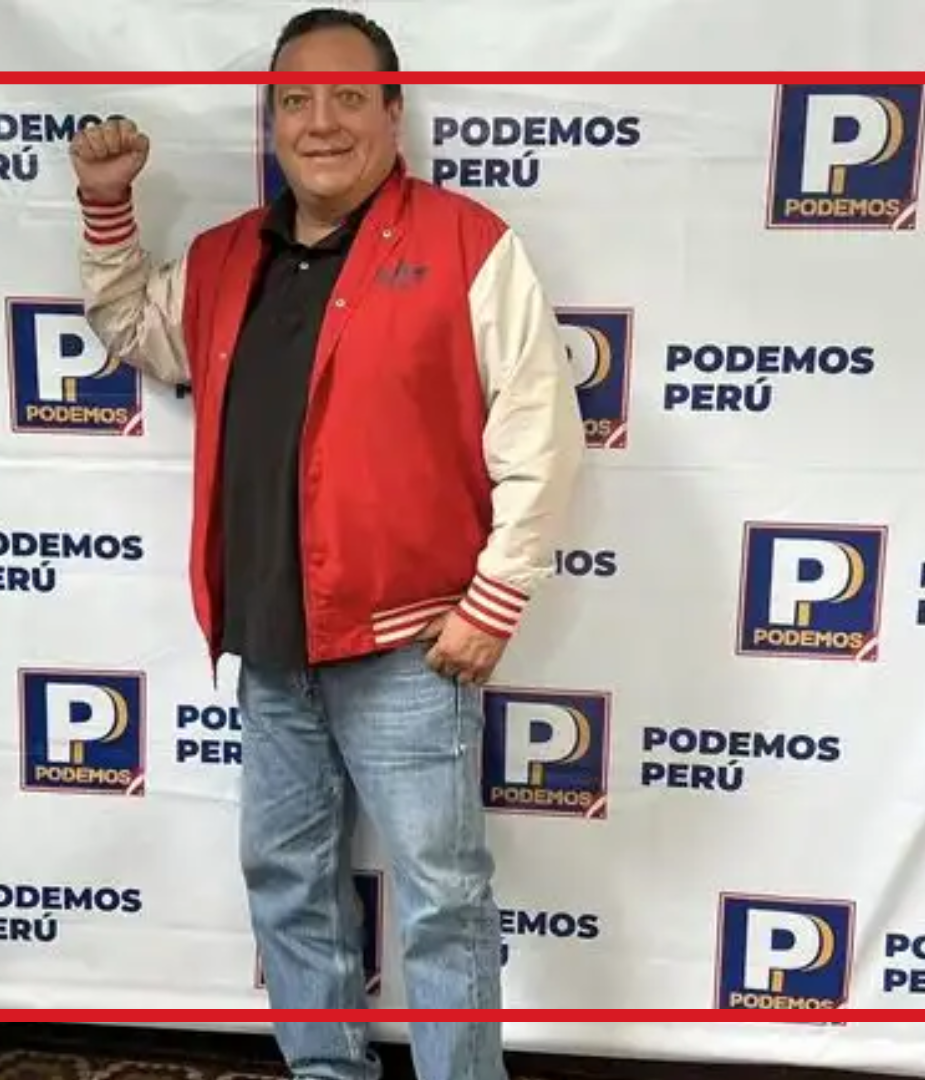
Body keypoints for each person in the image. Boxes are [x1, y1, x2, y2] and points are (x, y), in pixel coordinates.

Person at [67, 8, 585, 1079]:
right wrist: (107, 206)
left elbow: (540, 430)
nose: (322, 122)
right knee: (289, 886)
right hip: (270, 648)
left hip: (410, 649)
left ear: (394, 114)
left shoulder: (468, 245)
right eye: (296, 100)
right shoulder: (225, 258)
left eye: (350, 97)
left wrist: (494, 600)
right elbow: (137, 329)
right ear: (272, 121)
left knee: (443, 901)